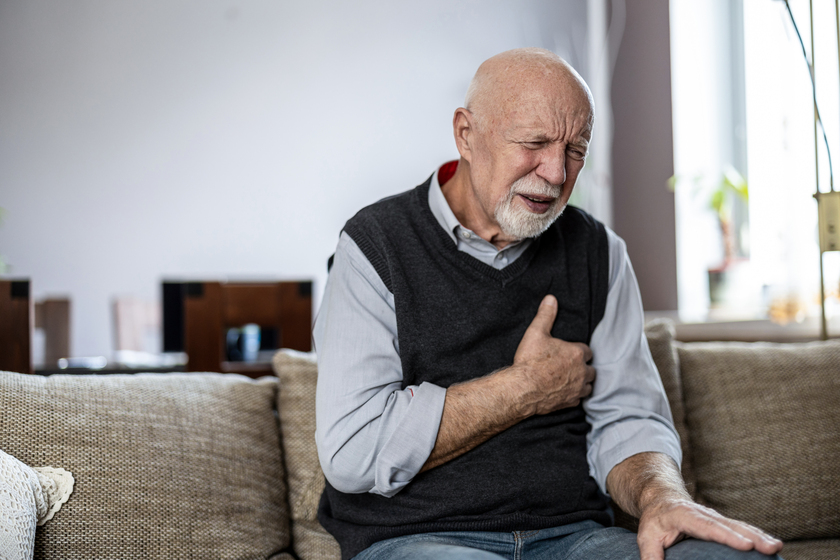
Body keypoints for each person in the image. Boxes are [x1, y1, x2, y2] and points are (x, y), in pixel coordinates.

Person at [313, 48, 784, 560]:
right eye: (534, 143)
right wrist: (526, 388)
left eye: (576, 149)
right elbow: (353, 450)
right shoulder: (374, 245)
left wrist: (660, 497)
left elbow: (627, 419)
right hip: (419, 539)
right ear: (466, 134)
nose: (558, 173)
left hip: (578, 538)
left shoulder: (599, 252)